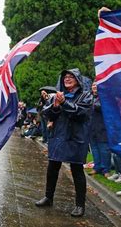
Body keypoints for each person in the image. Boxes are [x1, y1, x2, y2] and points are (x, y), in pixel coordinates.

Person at [35, 69, 93, 217]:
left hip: (76, 137)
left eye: (71, 76)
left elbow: (80, 114)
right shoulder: (57, 95)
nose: (67, 79)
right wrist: (55, 105)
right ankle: (48, 197)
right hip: (59, 136)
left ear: (78, 79)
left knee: (77, 170)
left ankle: (80, 205)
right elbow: (48, 114)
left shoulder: (85, 95)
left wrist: (64, 103)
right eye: (65, 77)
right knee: (53, 166)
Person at [88, 82, 112, 177]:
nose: (94, 86)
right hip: (91, 127)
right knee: (94, 148)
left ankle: (106, 169)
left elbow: (100, 107)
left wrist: (91, 104)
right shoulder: (89, 97)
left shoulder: (105, 98)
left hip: (102, 127)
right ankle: (96, 167)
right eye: (93, 85)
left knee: (104, 149)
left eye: (96, 85)